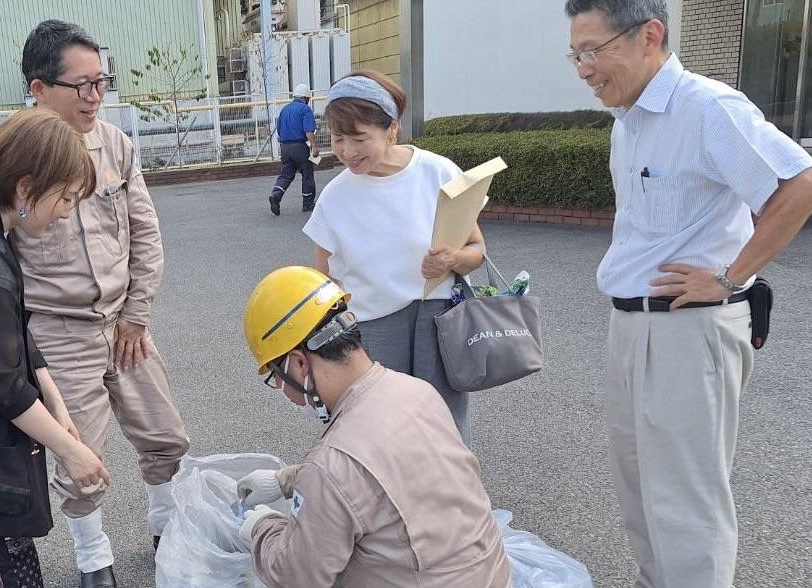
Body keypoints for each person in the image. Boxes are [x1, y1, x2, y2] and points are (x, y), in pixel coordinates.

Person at [565, 1, 812, 586]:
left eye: (594, 51)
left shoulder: (706, 108)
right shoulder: (629, 119)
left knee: (686, 506)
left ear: (650, 35)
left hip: (687, 327)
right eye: (575, 54)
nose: (583, 69)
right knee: (640, 494)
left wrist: (730, 275)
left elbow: (798, 184)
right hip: (632, 326)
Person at [11, 20, 190, 588]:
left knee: (164, 435)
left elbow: (145, 232)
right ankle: (94, 561)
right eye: (80, 86)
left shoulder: (116, 144)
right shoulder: (15, 158)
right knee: (80, 458)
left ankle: (164, 529)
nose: (95, 97)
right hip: (59, 331)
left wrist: (138, 313)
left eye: (101, 83)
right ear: (38, 88)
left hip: (124, 324)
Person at [236, 266, 511, 587]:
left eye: (275, 378)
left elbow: (296, 576)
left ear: (298, 364)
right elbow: (378, 474)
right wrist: (284, 480)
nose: (282, 390)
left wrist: (262, 527)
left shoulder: (331, 464)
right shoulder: (416, 392)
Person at [0, 108, 111, 588]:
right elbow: (3, 385)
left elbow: (11, 329)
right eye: (67, 198)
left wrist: (53, 395)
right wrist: (72, 451)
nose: (68, 212)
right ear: (27, 187)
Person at [302, 71, 484, 447]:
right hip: (373, 328)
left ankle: (454, 500)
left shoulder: (438, 172)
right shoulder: (335, 198)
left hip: (437, 320)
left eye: (359, 138)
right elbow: (322, 281)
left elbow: (477, 252)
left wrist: (451, 258)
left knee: (444, 419)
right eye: (338, 139)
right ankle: (390, 502)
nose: (348, 151)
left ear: (392, 129)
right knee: (383, 427)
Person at [269, 83, 319, 215]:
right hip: (299, 146)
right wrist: (314, 146)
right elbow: (309, 131)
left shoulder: (284, 109)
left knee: (286, 174)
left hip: (285, 147)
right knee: (307, 173)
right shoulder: (305, 109)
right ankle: (308, 203)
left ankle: (276, 195)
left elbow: (279, 130)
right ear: (306, 98)